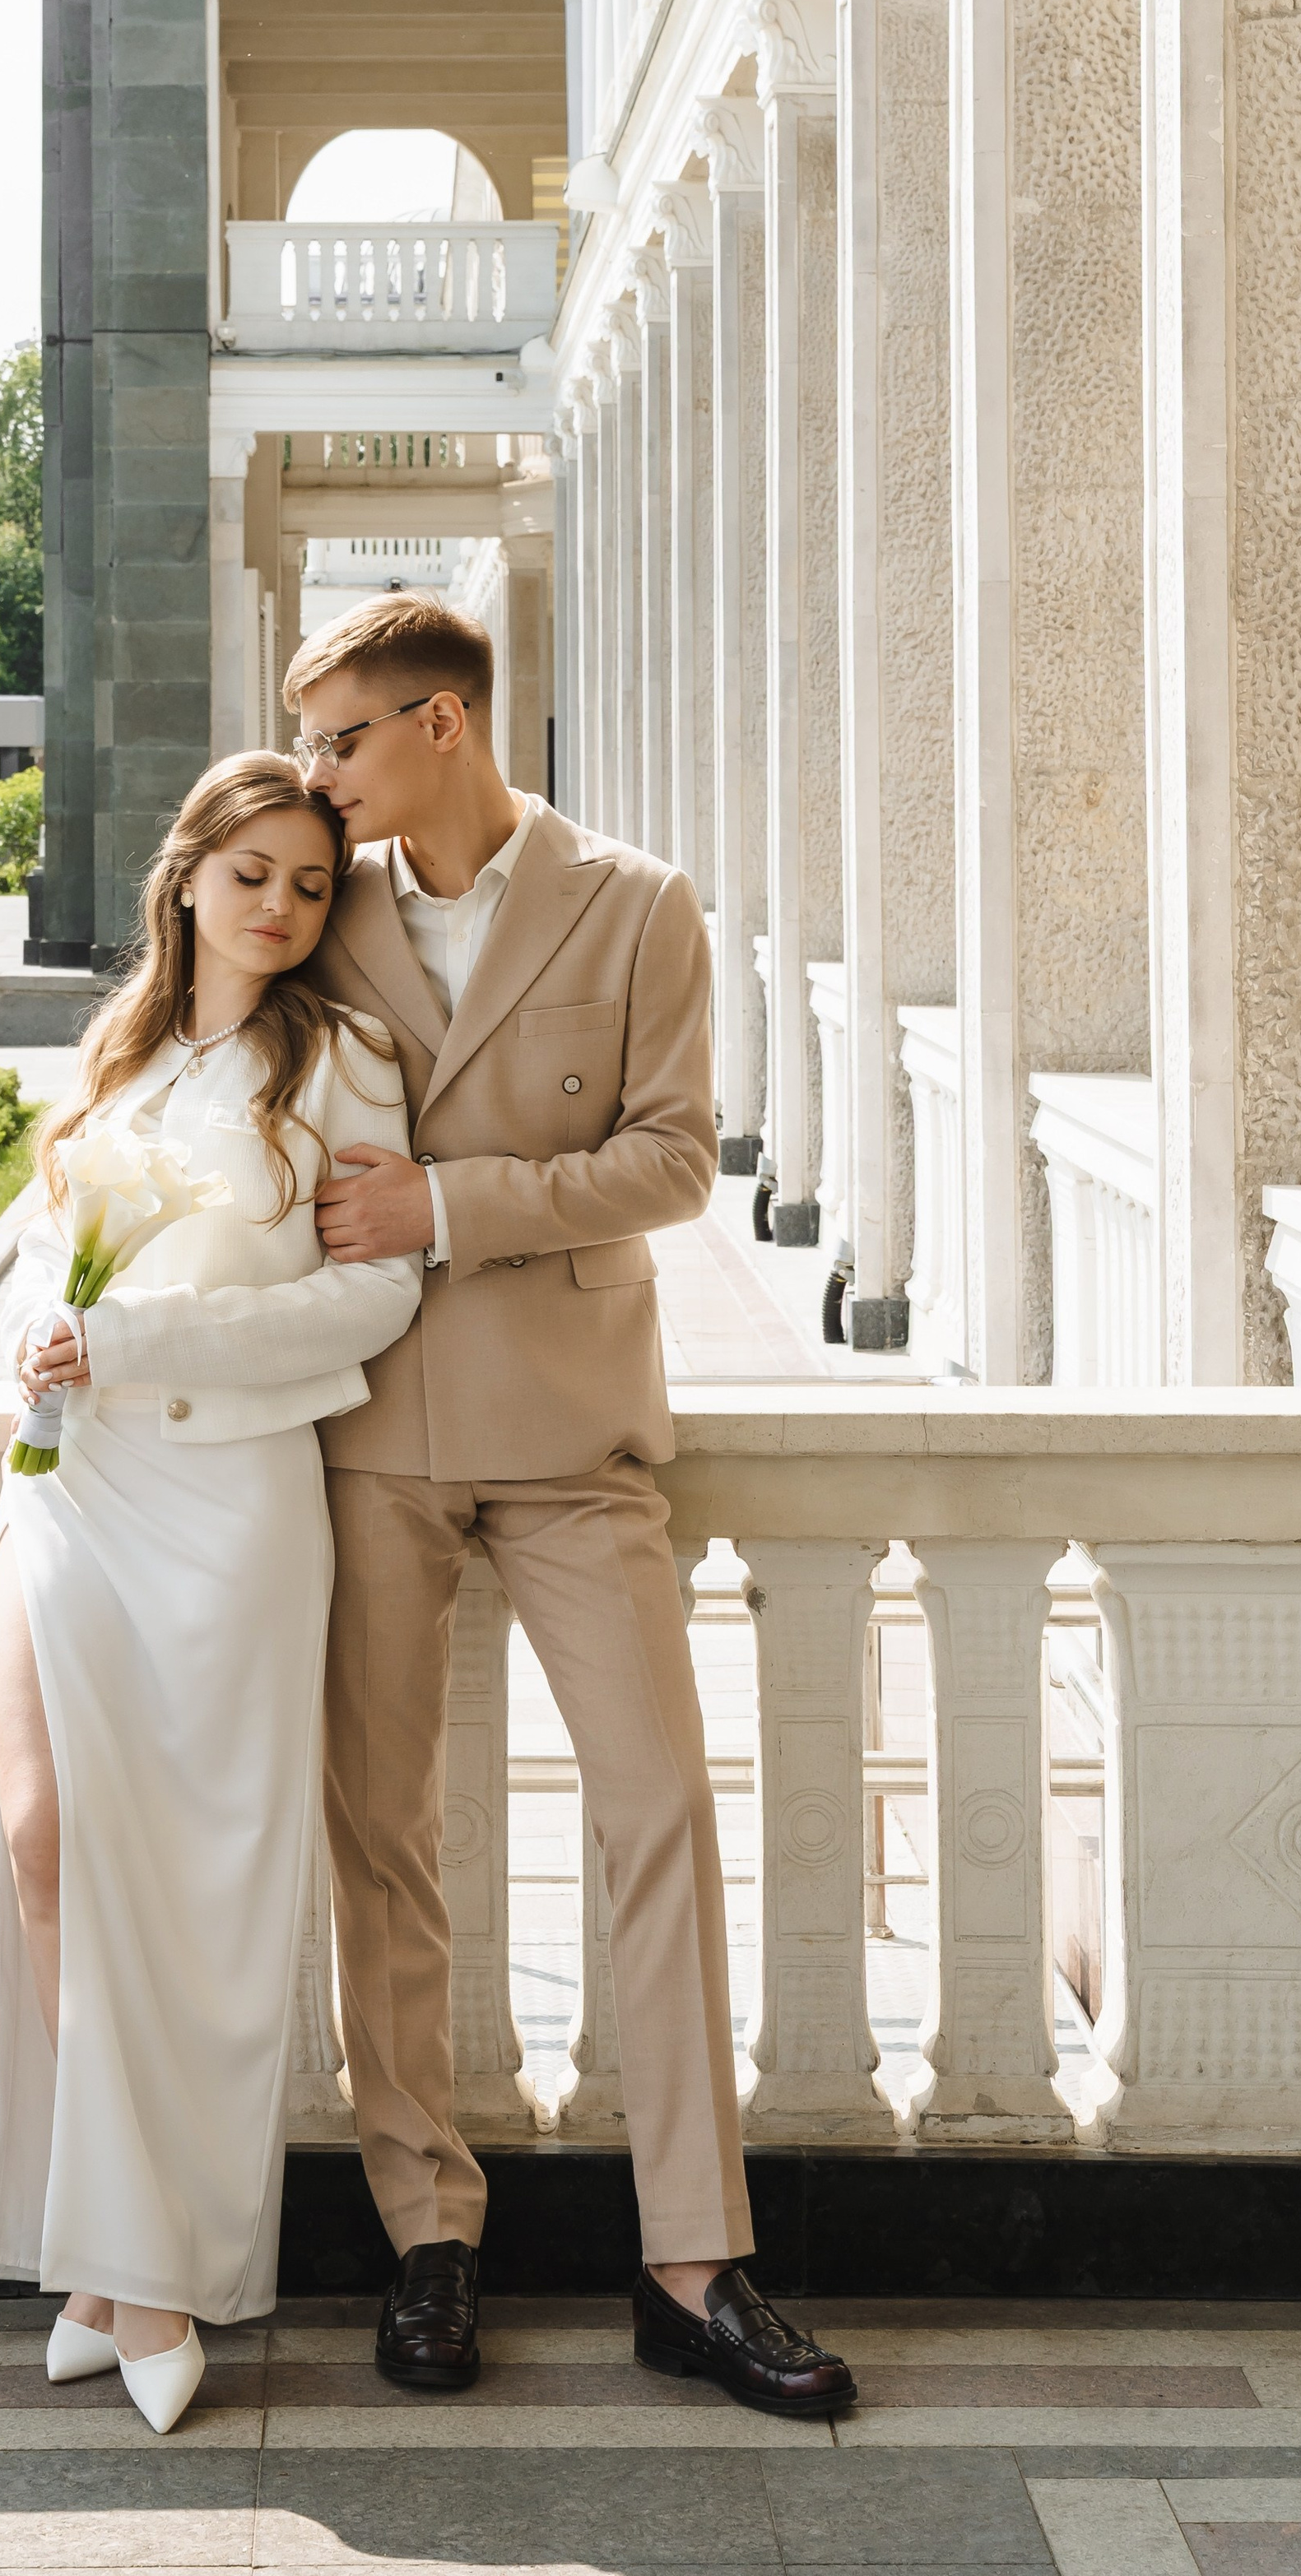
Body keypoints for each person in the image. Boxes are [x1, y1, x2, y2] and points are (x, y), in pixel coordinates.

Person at [290, 592, 857, 2422]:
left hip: (572, 1430)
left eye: (344, 741)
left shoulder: (636, 903)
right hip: (367, 1424)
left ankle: (691, 2260)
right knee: (381, 1837)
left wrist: (445, 1210)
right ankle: (422, 2236)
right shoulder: (320, 908)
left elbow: (676, 1157)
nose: (319, 776)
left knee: (659, 1812)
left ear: (441, 722)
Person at [0, 752, 423, 2431]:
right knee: (37, 1837)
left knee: (201, 1898)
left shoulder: (343, 1062)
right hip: (71, 1483)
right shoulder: (117, 1050)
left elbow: (367, 1303)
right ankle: (99, 2235)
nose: (281, 906)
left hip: (227, 1503)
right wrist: (45, 1345)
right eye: (252, 873)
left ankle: (141, 2271)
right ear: (188, 873)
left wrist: (129, 1339)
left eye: (309, 882)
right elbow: (40, 1242)